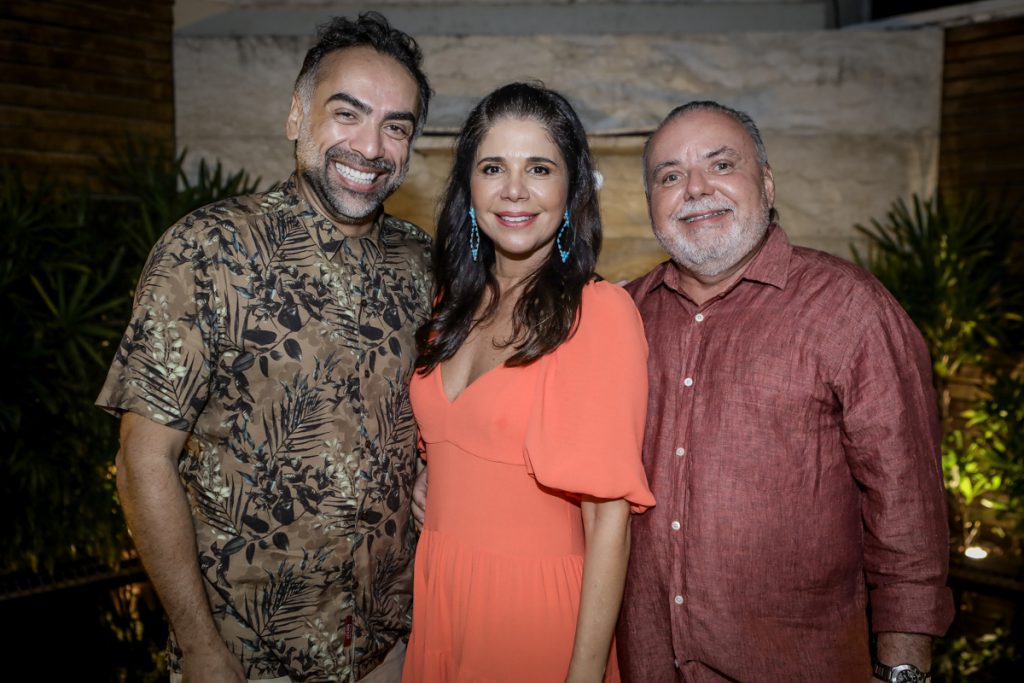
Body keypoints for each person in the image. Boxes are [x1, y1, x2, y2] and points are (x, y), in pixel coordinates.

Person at [97, 12, 433, 683]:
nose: (370, 145)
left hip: (390, 650)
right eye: (348, 114)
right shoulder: (208, 250)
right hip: (248, 659)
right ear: (295, 118)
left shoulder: (423, 263)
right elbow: (143, 462)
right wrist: (199, 645)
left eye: (395, 125)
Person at [616, 101, 955, 683]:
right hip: (644, 663)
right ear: (651, 203)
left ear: (767, 184)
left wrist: (904, 669)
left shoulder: (850, 309)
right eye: (669, 176)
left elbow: (908, 509)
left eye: (721, 166)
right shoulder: (624, 315)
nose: (695, 189)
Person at [401, 82, 655, 683]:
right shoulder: (452, 302)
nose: (514, 190)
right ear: (469, 188)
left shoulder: (597, 312)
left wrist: (584, 674)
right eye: (494, 168)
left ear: (571, 189)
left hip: (534, 614)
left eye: (539, 168)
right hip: (441, 594)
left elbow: (608, 520)